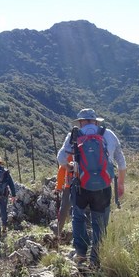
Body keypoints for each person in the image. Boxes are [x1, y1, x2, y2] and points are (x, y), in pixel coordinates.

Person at [57, 108, 126, 267]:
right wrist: (121, 183)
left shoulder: (74, 135)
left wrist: (70, 168)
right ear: (96, 121)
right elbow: (121, 162)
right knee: (100, 221)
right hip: (103, 187)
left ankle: (81, 254)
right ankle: (96, 258)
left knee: (79, 217)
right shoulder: (108, 134)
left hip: (81, 185)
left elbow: (60, 158)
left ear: (80, 122)